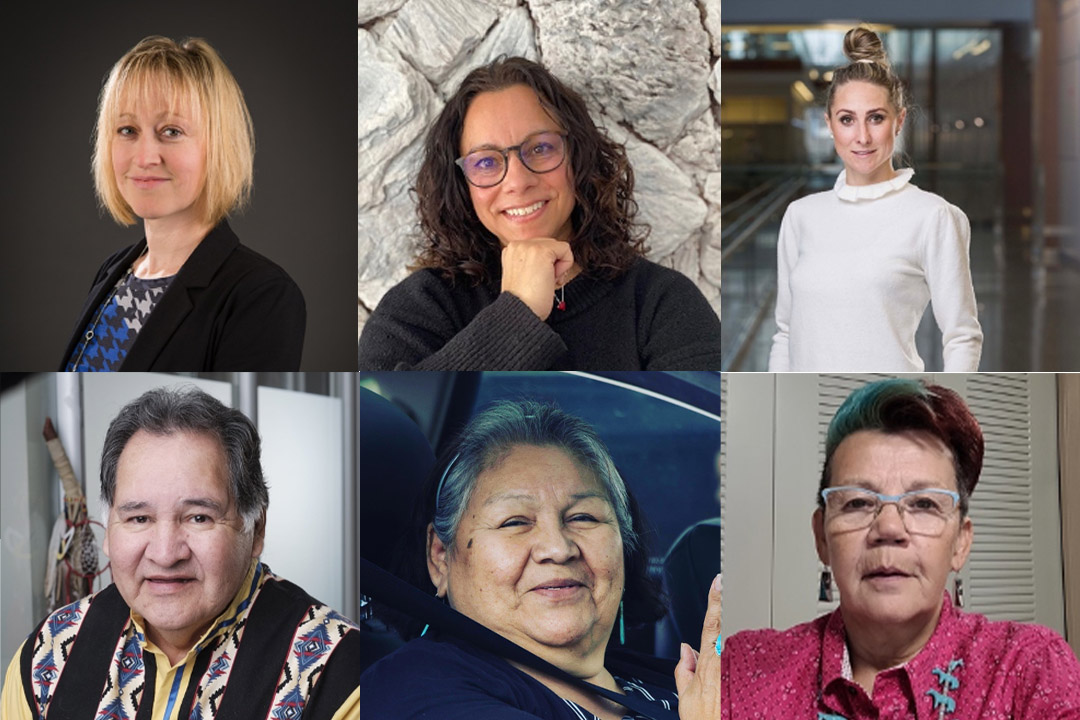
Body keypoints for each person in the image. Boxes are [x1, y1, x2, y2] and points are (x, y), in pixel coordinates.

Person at [721, 378, 1080, 718]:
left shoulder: (1030, 670)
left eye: (924, 504)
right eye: (858, 503)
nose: (889, 528)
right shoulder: (742, 671)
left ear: (960, 542)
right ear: (821, 538)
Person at [1, 387, 360, 719]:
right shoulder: (46, 656)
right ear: (108, 527)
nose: (165, 553)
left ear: (256, 529)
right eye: (139, 518)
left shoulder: (343, 674)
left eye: (199, 517)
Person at [361, 401, 722, 719]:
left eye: (584, 517)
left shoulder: (671, 681)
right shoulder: (413, 692)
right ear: (441, 558)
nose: (558, 547)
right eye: (515, 522)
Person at [357, 57, 721, 371]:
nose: (517, 181)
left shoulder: (662, 303)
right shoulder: (420, 307)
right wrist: (517, 316)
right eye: (485, 161)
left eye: (541, 148)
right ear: (461, 185)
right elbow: (379, 435)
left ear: (579, 157)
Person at [60, 36, 305, 371]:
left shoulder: (261, 296)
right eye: (127, 130)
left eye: (171, 131)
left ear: (218, 145)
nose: (144, 157)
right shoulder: (112, 271)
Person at [768, 27, 983, 372]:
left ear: (899, 122)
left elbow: (962, 336)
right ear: (830, 124)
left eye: (876, 118)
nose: (862, 137)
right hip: (807, 409)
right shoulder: (801, 215)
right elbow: (785, 332)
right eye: (847, 120)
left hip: (891, 408)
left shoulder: (933, 216)